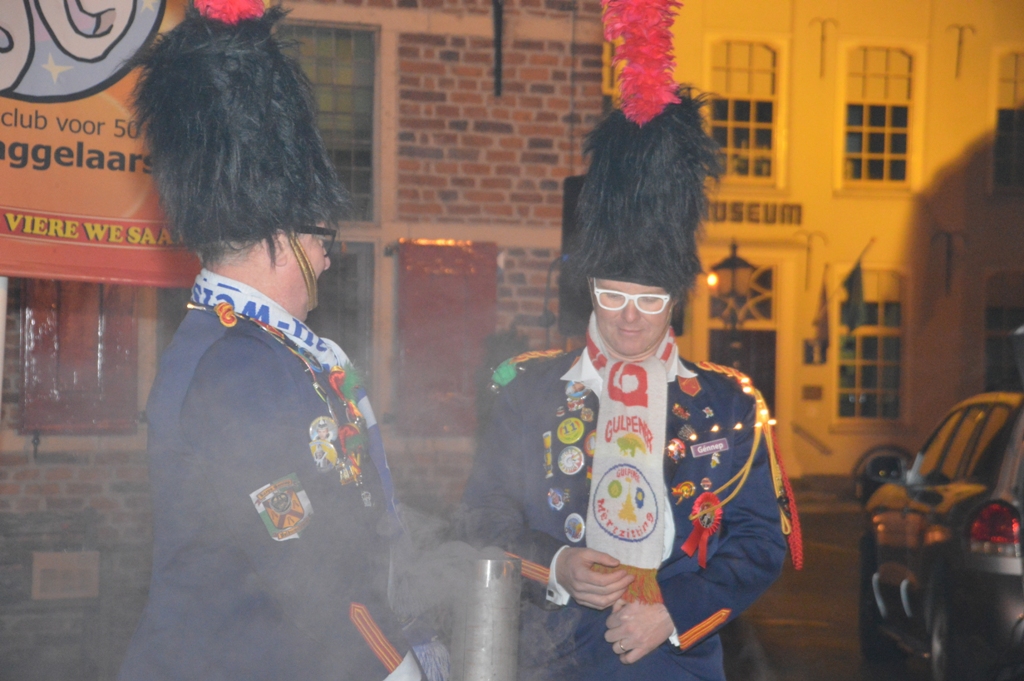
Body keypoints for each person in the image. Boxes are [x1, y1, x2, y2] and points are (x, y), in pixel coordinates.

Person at [118, 1, 420, 679]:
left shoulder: (264, 351)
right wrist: (397, 666)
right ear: (279, 237)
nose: (329, 258)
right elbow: (303, 559)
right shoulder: (240, 368)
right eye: (322, 239)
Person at [459, 88, 801, 681]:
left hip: (675, 665)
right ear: (589, 289)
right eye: (613, 296)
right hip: (552, 661)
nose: (629, 319)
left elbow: (759, 541)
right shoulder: (529, 389)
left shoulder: (730, 401)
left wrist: (673, 612)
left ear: (676, 299)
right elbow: (482, 516)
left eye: (650, 300)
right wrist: (557, 566)